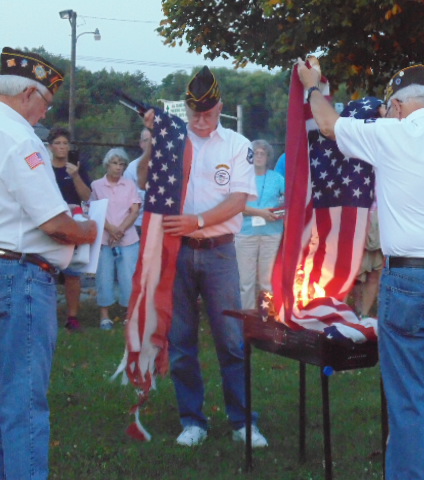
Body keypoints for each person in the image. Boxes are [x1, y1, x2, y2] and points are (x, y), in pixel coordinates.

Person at [298, 60, 424, 480]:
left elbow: (328, 125)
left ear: (396, 106)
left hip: (412, 279)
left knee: (409, 403)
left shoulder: (391, 134)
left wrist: (312, 87)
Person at [138, 67, 267, 448]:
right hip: (177, 252)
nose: (201, 120)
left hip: (218, 251)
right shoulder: (173, 139)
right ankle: (192, 420)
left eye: (208, 114)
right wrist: (151, 144)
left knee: (230, 339)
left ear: (220, 108)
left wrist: (197, 220)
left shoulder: (236, 144)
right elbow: (145, 181)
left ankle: (243, 421)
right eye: (195, 114)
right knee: (181, 341)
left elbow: (238, 200)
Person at [0, 46, 97, 480]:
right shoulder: (20, 139)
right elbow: (56, 224)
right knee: (22, 402)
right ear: (26, 95)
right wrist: (91, 229)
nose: (44, 114)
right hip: (20, 275)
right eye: (44, 103)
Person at [90, 148, 141, 330]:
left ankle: (129, 315)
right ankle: (105, 316)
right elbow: (95, 211)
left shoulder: (129, 185)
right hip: (105, 240)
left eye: (122, 164)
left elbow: (135, 211)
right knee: (104, 277)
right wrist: (111, 230)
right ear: (107, 164)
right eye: (115, 163)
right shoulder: (96, 185)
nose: (118, 167)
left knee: (128, 277)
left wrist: (119, 231)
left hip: (127, 240)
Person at [48, 126, 93, 331]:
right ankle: (47, 316)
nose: (62, 147)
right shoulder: (45, 169)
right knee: (45, 273)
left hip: (72, 225)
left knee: (72, 274)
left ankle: (72, 318)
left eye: (65, 143)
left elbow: (87, 197)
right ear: (50, 147)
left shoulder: (77, 168)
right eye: (58, 143)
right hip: (49, 225)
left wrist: (75, 176)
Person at [236, 139, 285, 309]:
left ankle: (267, 318)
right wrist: (261, 213)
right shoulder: (241, 177)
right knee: (246, 281)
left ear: (268, 157)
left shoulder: (278, 178)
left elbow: (288, 203)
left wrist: (279, 212)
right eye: (255, 153)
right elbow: (235, 206)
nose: (258, 156)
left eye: (262, 153)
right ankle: (247, 320)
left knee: (267, 280)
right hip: (245, 232)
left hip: (271, 233)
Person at [352, 207, 383, 317]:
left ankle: (364, 314)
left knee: (374, 273)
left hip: (380, 215)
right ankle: (350, 311)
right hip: (358, 213)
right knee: (353, 274)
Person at [123, 128, 151, 236]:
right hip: (138, 223)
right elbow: (127, 199)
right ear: (141, 144)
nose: (151, 143)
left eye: (154, 140)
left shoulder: (167, 166)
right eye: (147, 140)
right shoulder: (132, 168)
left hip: (160, 223)